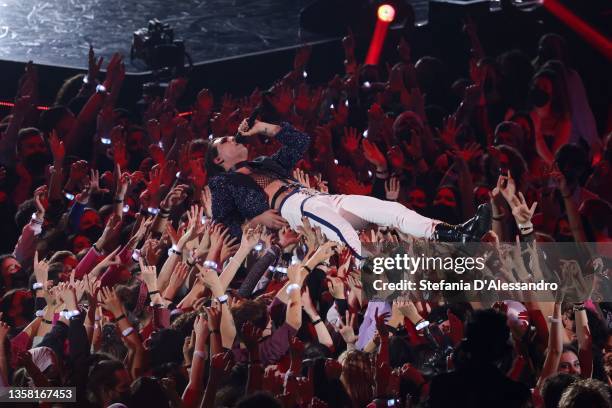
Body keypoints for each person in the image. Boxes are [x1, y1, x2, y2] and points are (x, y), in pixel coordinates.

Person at [205, 119, 492, 257]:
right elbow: (224, 224)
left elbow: (300, 142)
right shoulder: (222, 184)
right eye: (225, 141)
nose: (234, 138)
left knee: (390, 210)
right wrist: (257, 219)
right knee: (345, 233)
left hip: (317, 197)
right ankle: (373, 269)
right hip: (294, 209)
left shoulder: (265, 163)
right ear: (218, 159)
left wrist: (264, 128)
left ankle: (454, 233)